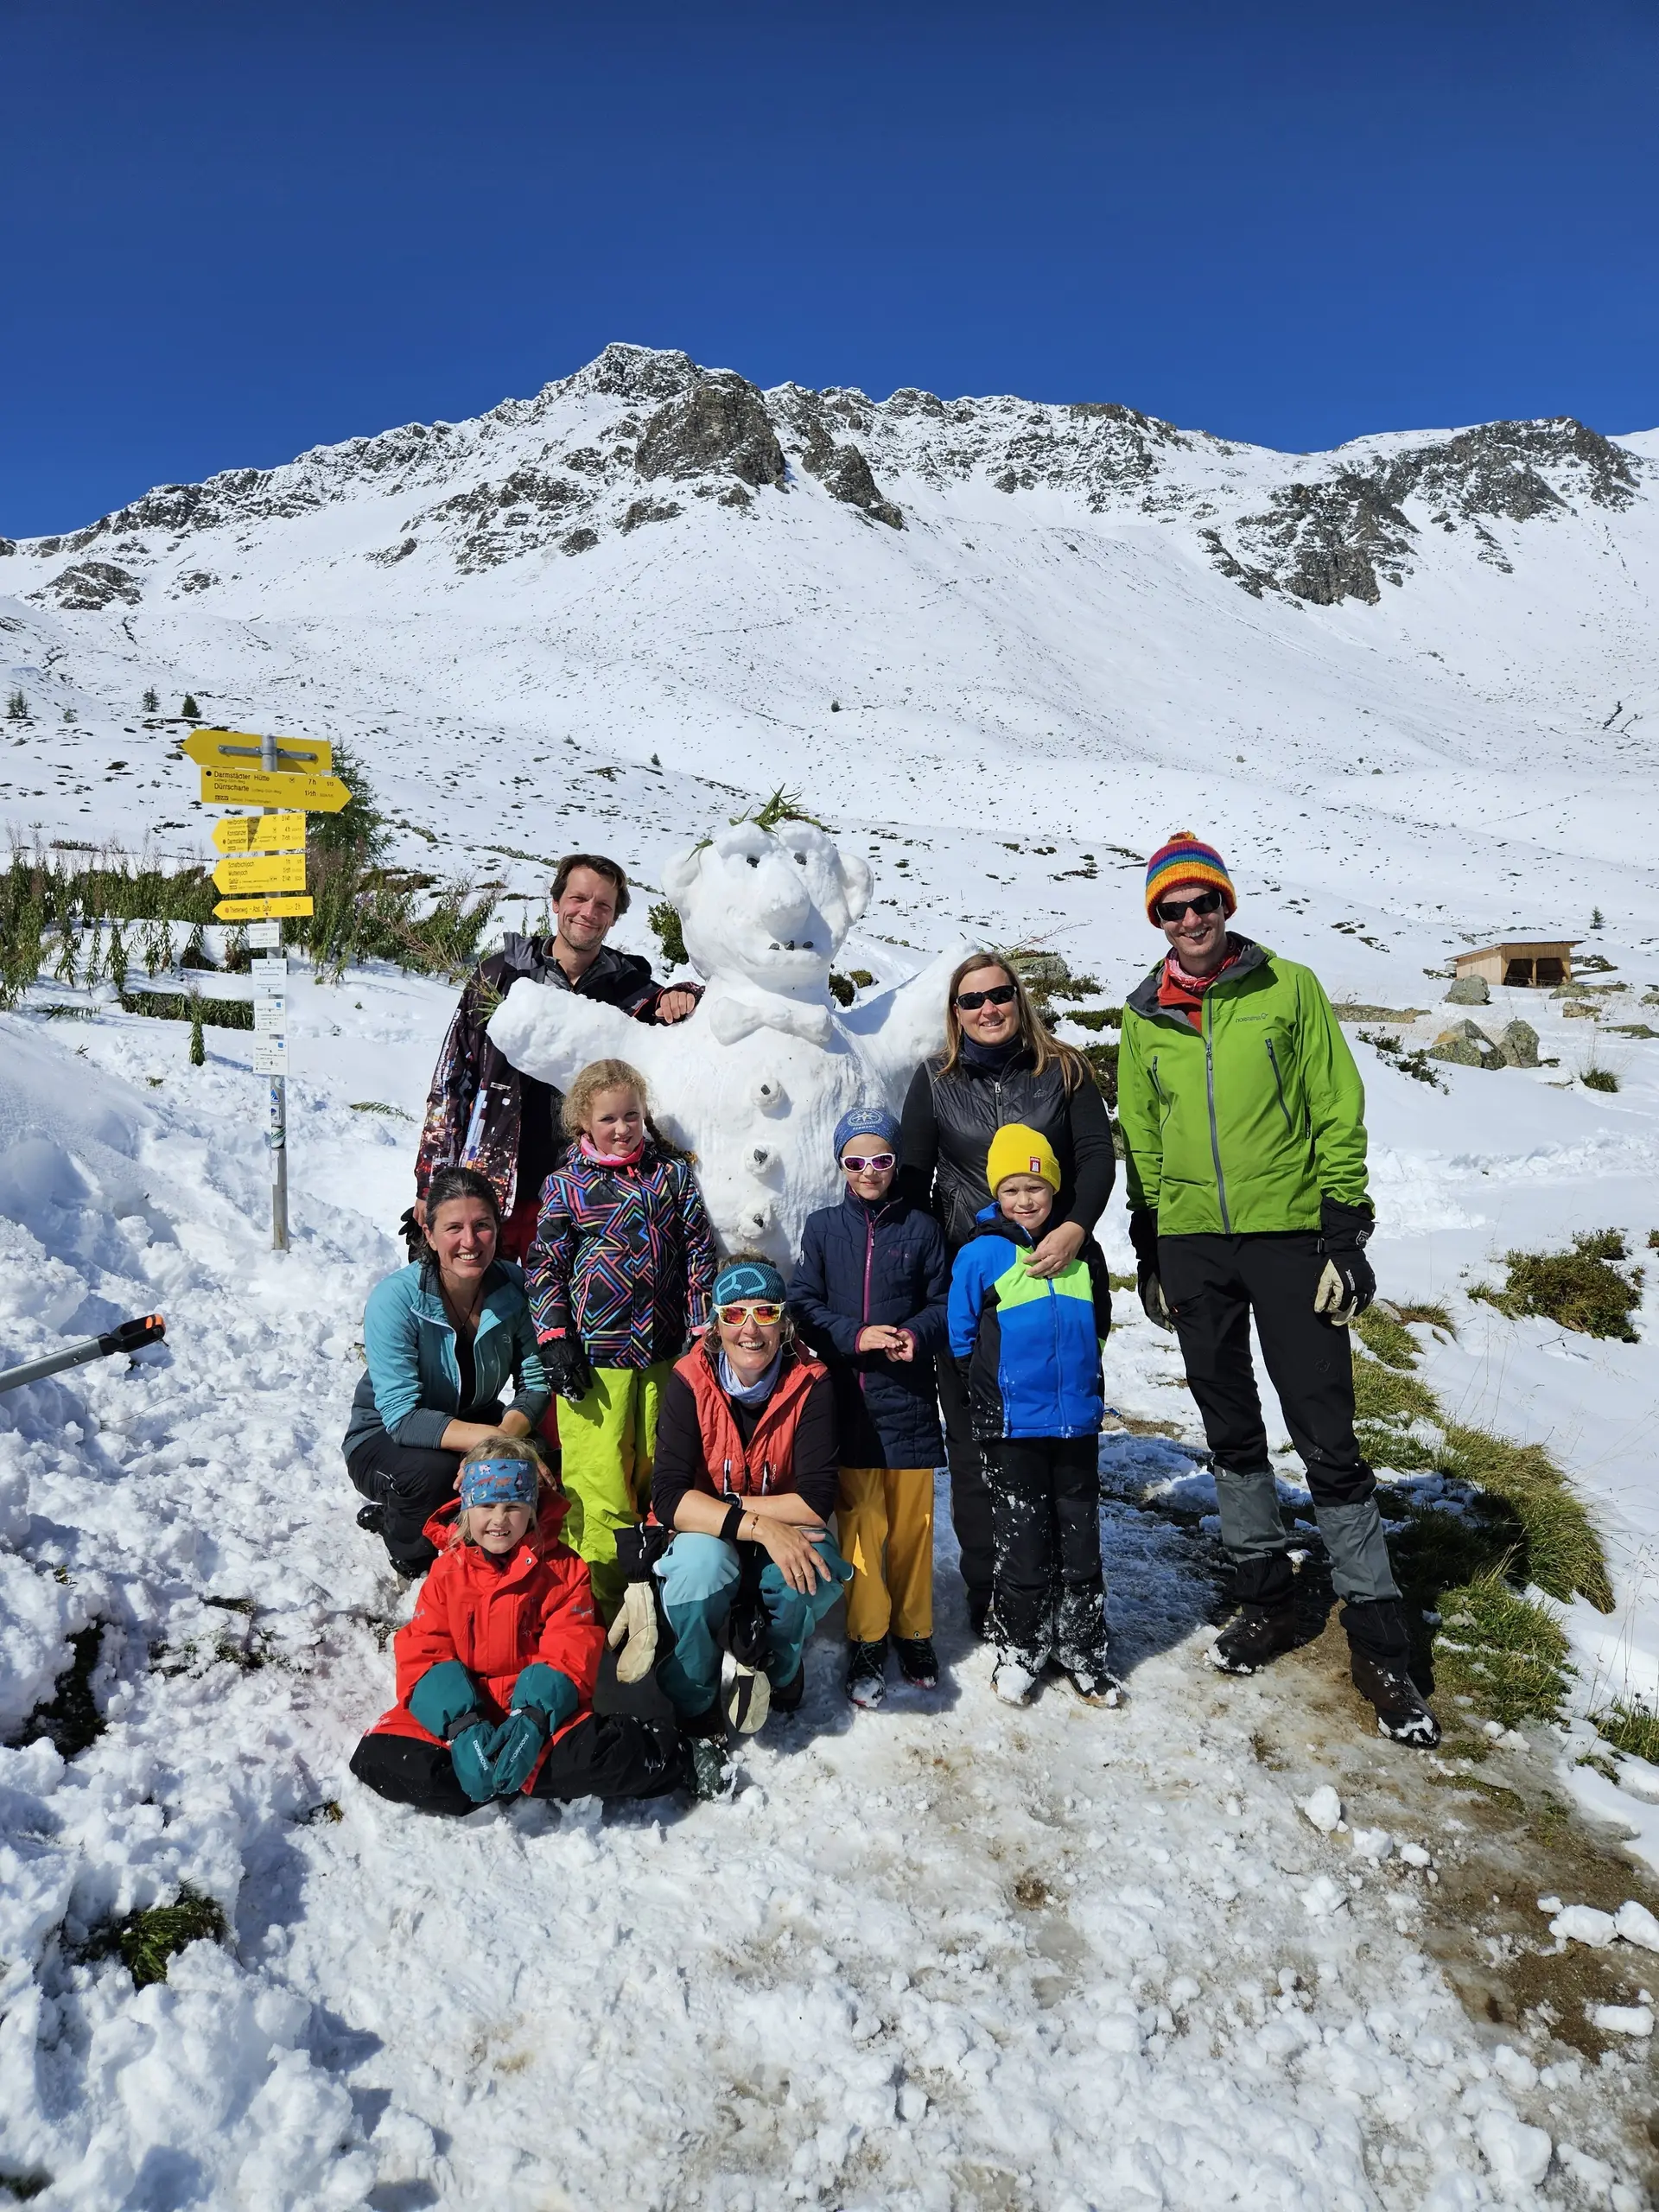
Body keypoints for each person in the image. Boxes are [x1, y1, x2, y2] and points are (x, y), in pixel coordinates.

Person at [1117, 830, 1440, 1747]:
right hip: (1192, 1243)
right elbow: (1143, 1132)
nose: (1191, 920)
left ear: (1227, 905)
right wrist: (1149, 1236)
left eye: (1204, 902)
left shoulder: (1288, 988)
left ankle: (1378, 1636)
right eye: (1173, 909)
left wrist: (1345, 1227)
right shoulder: (1143, 1014)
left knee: (1325, 1429)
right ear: (1158, 919)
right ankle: (1264, 1597)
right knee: (1228, 1423)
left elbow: (1335, 1104)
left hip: (1290, 1235)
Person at [900, 953, 1116, 1636]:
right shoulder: (935, 1081)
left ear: (1018, 998)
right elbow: (912, 1178)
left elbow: (1096, 1157)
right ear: (954, 1012)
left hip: (1059, 1273)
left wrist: (1076, 1227)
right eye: (972, 1000)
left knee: (1058, 1437)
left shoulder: (1065, 1069)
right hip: (974, 1283)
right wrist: (925, 1274)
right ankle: (990, 1584)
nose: (987, 1009)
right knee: (974, 1441)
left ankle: (1060, 1583)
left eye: (999, 994)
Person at [611, 1256, 852, 1799]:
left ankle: (777, 1662)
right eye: (735, 1314)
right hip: (708, 1534)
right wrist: (760, 1526)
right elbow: (670, 1497)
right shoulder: (688, 1379)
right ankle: (697, 1710)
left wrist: (743, 1514)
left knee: (811, 1570)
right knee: (699, 1571)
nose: (750, 1329)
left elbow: (816, 1502)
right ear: (716, 1322)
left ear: (784, 1322)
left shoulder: (811, 1382)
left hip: (747, 1517)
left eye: (765, 1312)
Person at [348, 1436, 686, 1815]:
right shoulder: (447, 1572)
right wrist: (461, 1724)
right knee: (379, 1758)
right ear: (467, 1508)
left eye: (512, 1506)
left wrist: (533, 1718)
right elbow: (425, 1649)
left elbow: (571, 1648)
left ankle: (671, 1751)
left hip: (540, 1717)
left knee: (603, 1759)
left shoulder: (564, 1571)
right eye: (486, 1506)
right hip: (465, 1714)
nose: (498, 1519)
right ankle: (499, 1771)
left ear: (532, 1509)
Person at [414, 853, 702, 1259]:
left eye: (603, 905)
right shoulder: (501, 976)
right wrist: (431, 1179)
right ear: (555, 902)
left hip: (584, 1192)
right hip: (494, 1181)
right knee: (484, 1293)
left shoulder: (629, 990)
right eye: (578, 898)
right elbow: (453, 1081)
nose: (588, 912)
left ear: (614, 917)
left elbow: (681, 1019)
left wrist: (686, 993)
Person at [524, 1057, 717, 1622]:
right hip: (594, 1361)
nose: (622, 1128)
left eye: (631, 1115)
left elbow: (699, 1253)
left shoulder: (670, 1176)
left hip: (663, 1352)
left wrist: (699, 1328)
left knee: (657, 1468)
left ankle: (654, 1591)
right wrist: (554, 1336)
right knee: (600, 1478)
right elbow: (545, 1266)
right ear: (583, 1121)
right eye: (608, 1119)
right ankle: (600, 1602)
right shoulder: (566, 1184)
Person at [948, 1125, 1118, 1708]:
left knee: (1080, 1540)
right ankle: (1020, 1649)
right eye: (1012, 1189)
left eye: (1036, 1187)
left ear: (1054, 1189)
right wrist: (986, 1385)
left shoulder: (1082, 1251)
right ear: (997, 1193)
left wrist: (1084, 1374)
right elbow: (961, 1334)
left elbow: (1099, 1320)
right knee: (1022, 1541)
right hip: (1013, 1425)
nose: (1025, 1200)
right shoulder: (981, 1254)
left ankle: (1083, 1650)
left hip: (1074, 1422)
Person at [788, 1105, 950, 1708]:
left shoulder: (923, 1228)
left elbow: (943, 1302)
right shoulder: (823, 1228)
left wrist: (915, 1334)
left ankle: (915, 1631)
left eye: (880, 1159)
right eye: (855, 1161)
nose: (869, 1171)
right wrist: (855, 1336)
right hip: (850, 1400)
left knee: (913, 1525)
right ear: (840, 1165)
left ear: (895, 1161)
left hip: (908, 1398)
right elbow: (804, 1303)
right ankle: (868, 1637)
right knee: (861, 1525)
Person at [344, 1166, 550, 1579]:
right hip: (384, 1437)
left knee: (544, 1463)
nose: (469, 1241)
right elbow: (402, 1416)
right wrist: (495, 1443)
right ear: (430, 1233)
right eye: (454, 1228)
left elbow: (535, 1382)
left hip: (473, 1418)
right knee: (433, 1474)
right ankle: (406, 1540)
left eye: (482, 1225)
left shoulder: (513, 1286)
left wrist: (503, 1441)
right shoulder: (396, 1299)